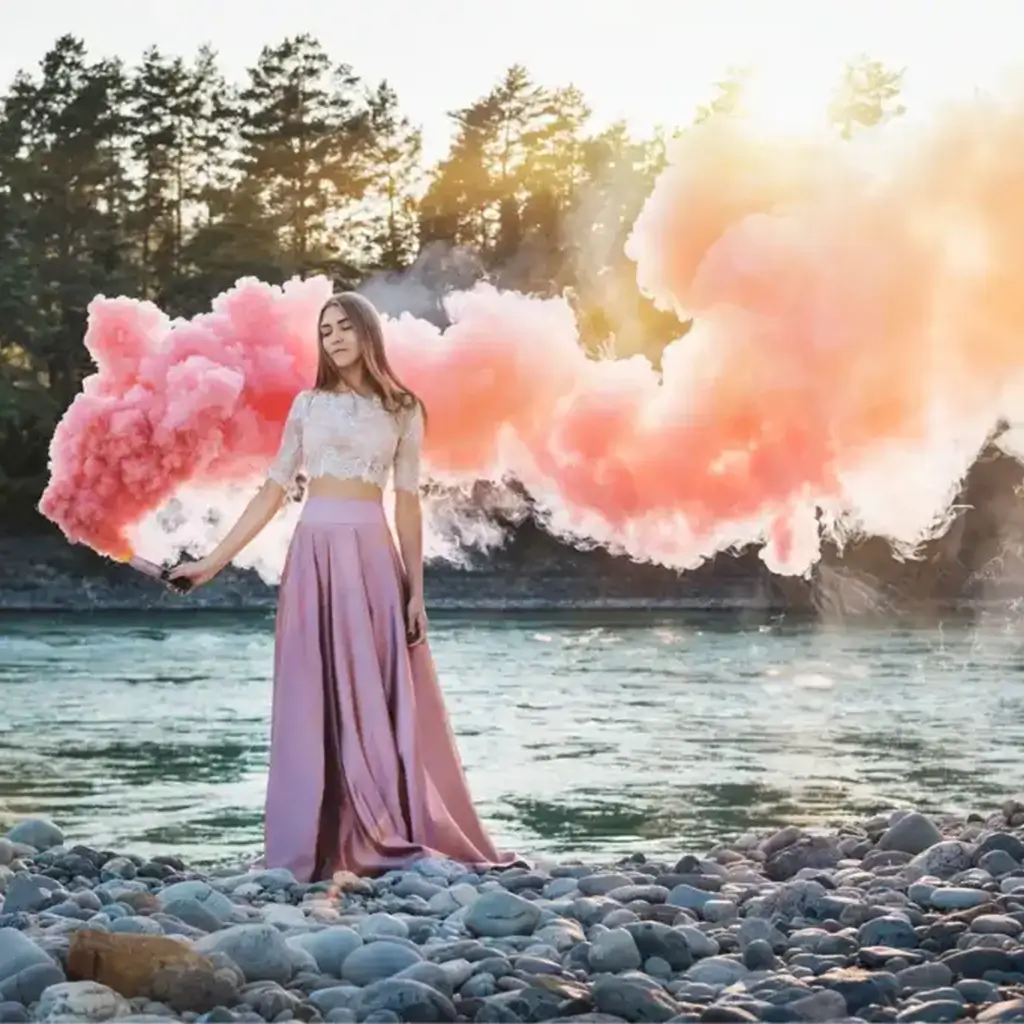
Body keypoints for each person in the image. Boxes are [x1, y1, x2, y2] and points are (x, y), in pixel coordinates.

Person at [170, 291, 518, 881]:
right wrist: (211, 563)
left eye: (342, 327)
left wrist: (416, 591)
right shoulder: (307, 406)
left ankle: (383, 830)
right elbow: (274, 491)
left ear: (366, 333)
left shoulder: (404, 408)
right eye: (323, 330)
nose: (331, 338)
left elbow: (408, 503)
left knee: (374, 692)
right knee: (313, 692)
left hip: (373, 554)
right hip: (312, 553)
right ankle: (314, 839)